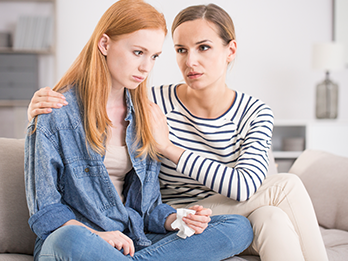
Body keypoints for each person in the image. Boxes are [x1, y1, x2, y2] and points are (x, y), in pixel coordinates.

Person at [27, 3, 328, 261]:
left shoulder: (144, 111)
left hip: (135, 236)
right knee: (70, 241)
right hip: (80, 237)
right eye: (138, 52)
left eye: (154, 56)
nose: (146, 67)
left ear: (230, 50)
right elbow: (46, 211)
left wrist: (174, 218)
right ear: (104, 45)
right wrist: (98, 235)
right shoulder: (62, 112)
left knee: (240, 228)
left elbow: (147, 207)